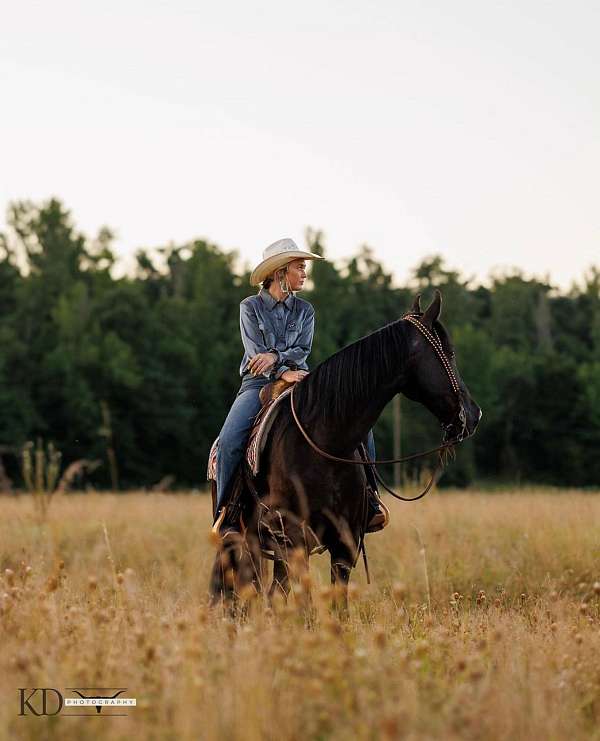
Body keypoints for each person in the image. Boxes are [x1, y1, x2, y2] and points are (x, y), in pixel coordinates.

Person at [213, 237, 387, 533]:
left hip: (302, 380)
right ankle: (227, 513)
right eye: (300, 267)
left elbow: (302, 351)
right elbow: (256, 355)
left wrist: (277, 359)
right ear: (280, 272)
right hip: (257, 385)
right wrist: (280, 370)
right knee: (229, 441)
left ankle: (369, 500)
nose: (305, 273)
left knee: (359, 424)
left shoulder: (305, 310)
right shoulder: (250, 307)